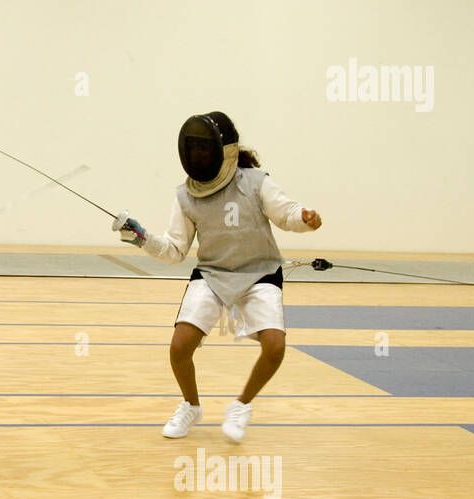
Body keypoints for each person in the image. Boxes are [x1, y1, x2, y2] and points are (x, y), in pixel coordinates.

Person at [114, 112, 322, 442]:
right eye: (193, 148)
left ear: (223, 151)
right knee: (180, 347)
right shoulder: (186, 195)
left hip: (260, 273)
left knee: (275, 347)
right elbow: (174, 250)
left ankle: (241, 405)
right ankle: (191, 406)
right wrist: (141, 237)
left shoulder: (255, 181)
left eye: (203, 148)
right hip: (212, 273)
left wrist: (305, 218)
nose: (198, 156)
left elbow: (286, 213)